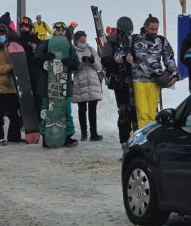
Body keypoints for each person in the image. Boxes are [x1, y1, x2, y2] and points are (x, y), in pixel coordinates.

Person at [119, 15, 177, 128]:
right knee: (143, 113)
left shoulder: (161, 40)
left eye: (156, 29)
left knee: (152, 113)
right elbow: (119, 53)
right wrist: (125, 57)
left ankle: (150, 135)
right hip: (139, 80)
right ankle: (142, 136)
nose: (154, 31)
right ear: (145, 27)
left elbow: (169, 58)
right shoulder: (133, 39)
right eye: (151, 29)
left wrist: (174, 74)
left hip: (155, 81)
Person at [35, 25, 80, 147]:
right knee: (47, 110)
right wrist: (45, 58)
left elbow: (76, 64)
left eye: (62, 31)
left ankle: (67, 136)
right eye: (58, 30)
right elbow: (36, 60)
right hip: (47, 84)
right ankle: (46, 136)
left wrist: (69, 62)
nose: (60, 32)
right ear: (54, 31)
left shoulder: (69, 46)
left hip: (64, 84)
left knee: (66, 110)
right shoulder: (45, 45)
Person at [101, 16, 139, 149]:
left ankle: (137, 139)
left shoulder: (134, 40)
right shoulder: (112, 41)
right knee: (125, 112)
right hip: (120, 82)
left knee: (137, 111)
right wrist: (120, 61)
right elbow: (105, 60)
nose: (127, 34)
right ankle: (124, 141)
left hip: (135, 81)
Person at [72, 31, 103, 141]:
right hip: (80, 82)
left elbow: (99, 66)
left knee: (93, 109)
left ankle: (94, 133)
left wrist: (92, 61)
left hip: (92, 82)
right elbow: (72, 68)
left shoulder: (90, 49)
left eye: (85, 41)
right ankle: (84, 134)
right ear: (76, 41)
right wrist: (80, 62)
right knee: (82, 109)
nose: (84, 43)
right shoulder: (72, 50)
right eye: (81, 41)